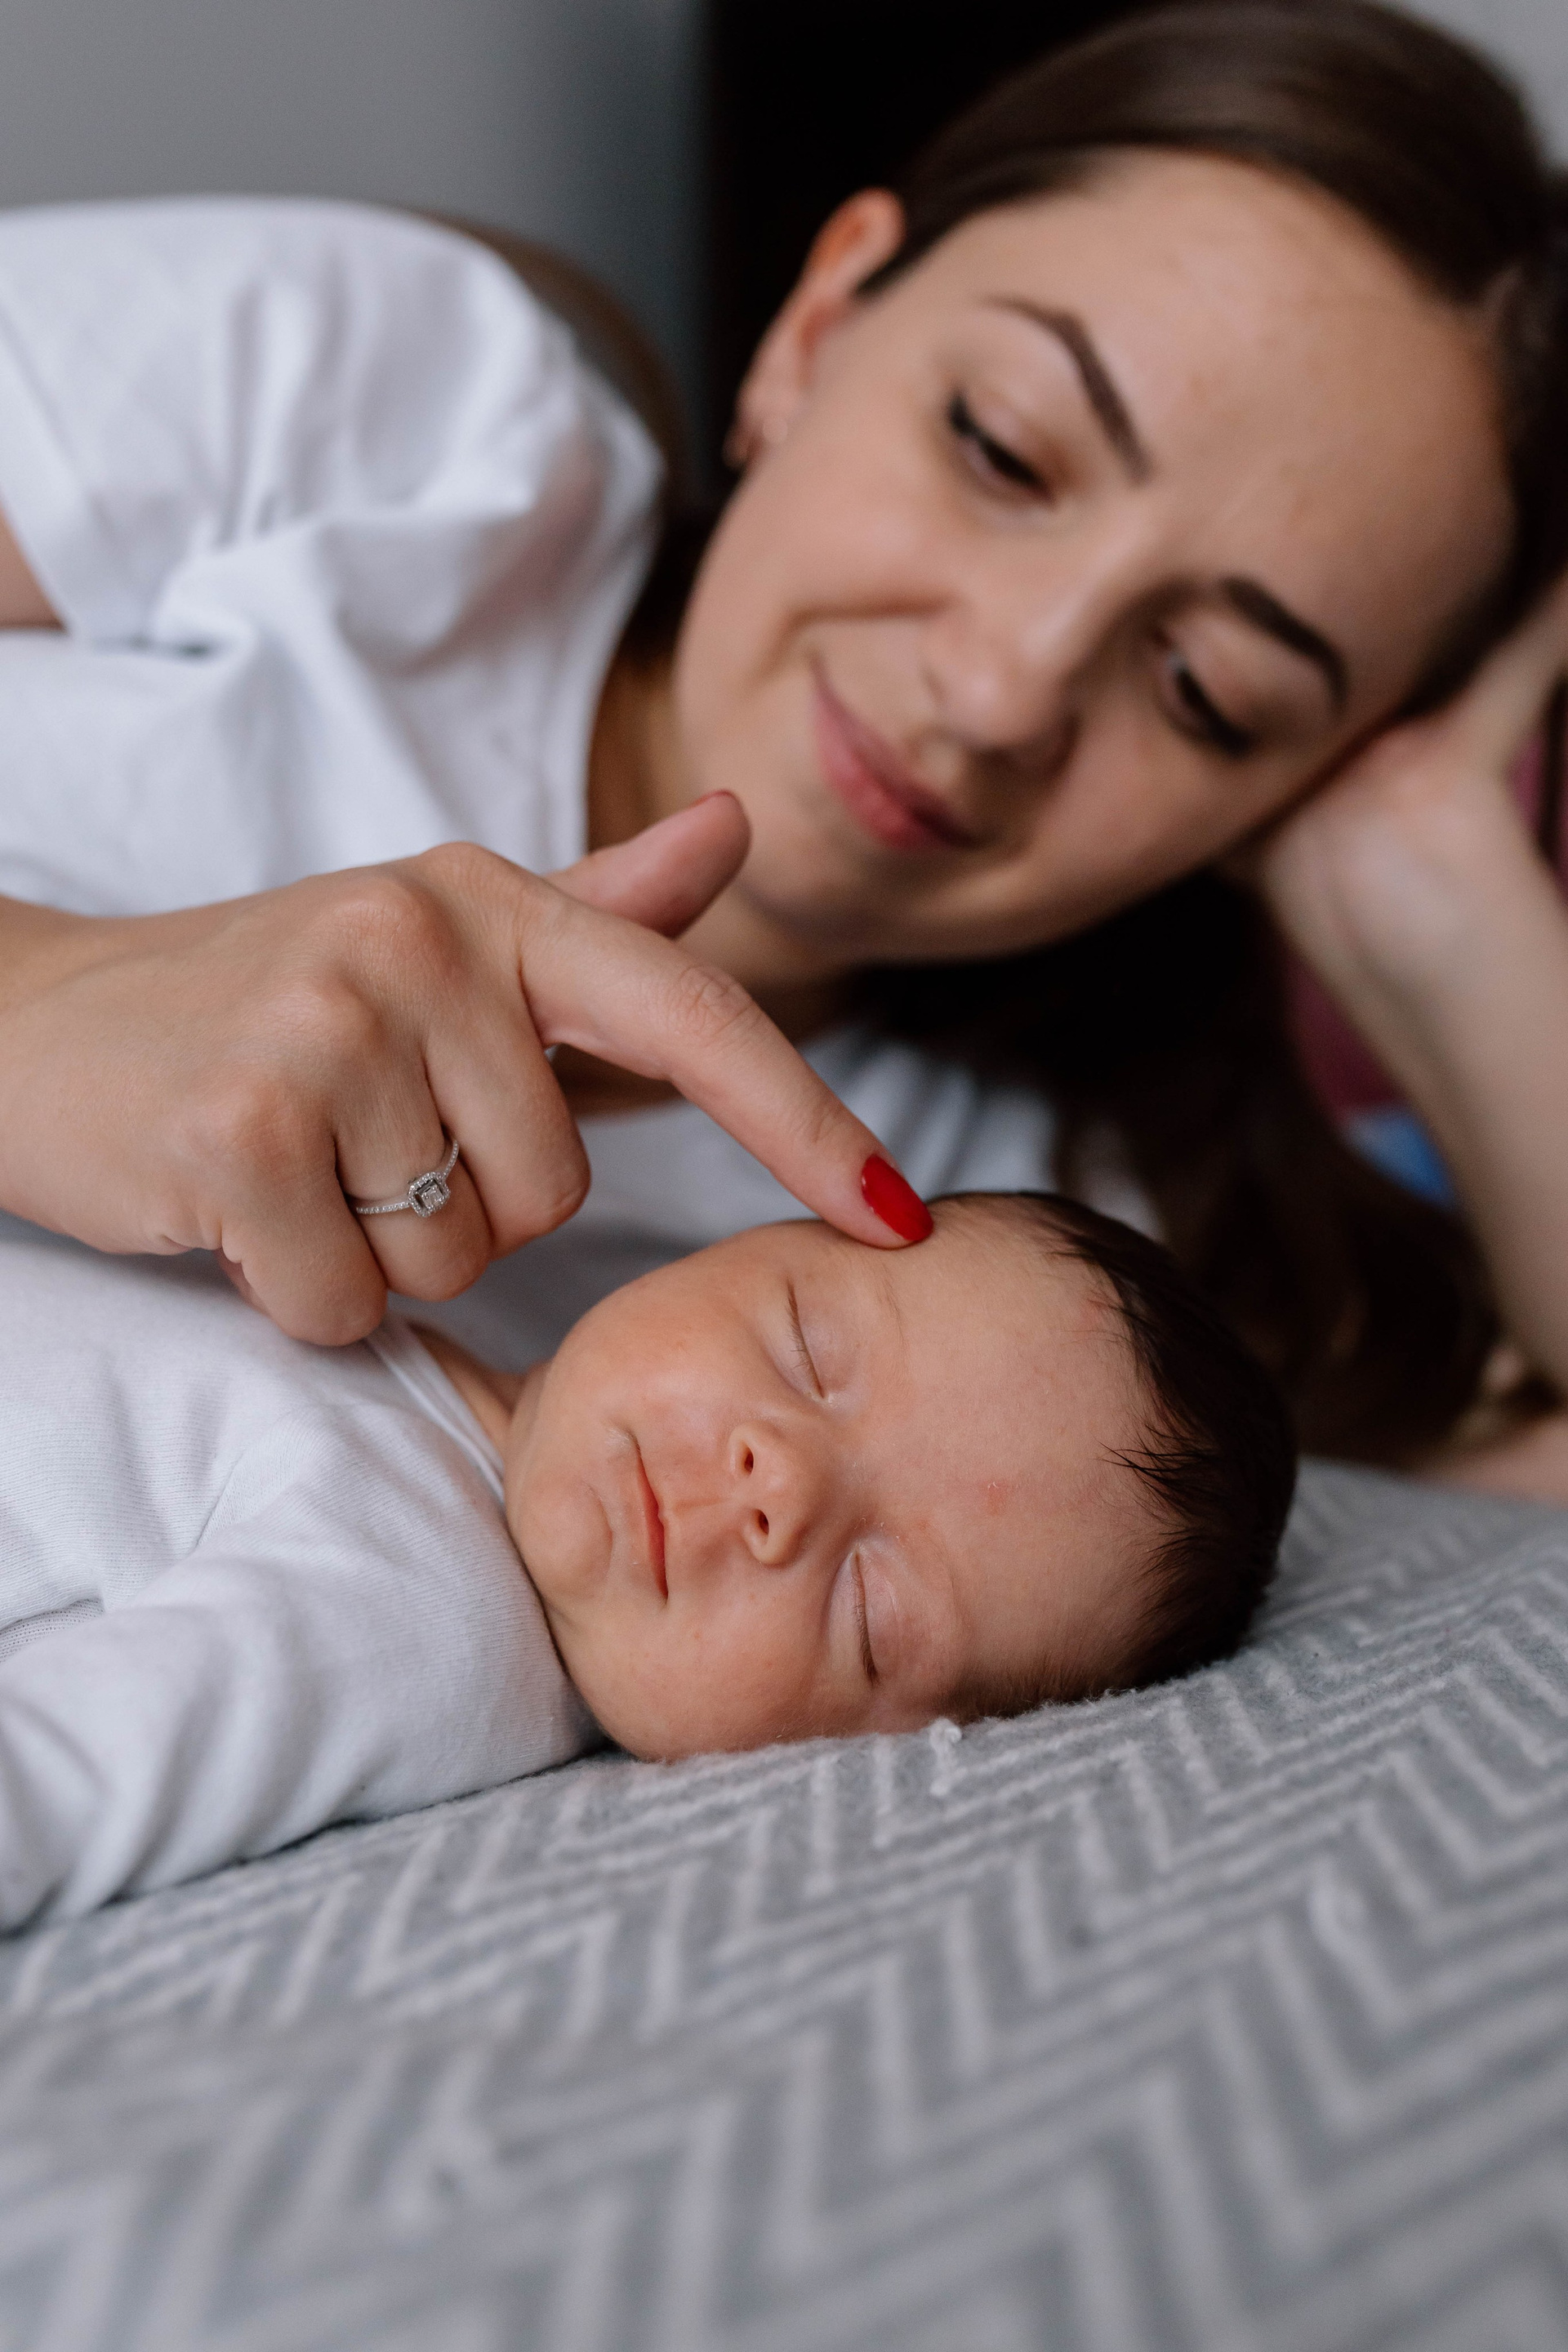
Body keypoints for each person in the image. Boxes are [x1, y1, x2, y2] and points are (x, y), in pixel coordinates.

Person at [0, 0, 1566, 1487]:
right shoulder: (405, 401)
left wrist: (1431, 877)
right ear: (818, 327)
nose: (1001, 691)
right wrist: (45, 1009)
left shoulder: (1027, 1278)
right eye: (1002, 450)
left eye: (1208, 693)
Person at [0, 1194, 1292, 1927]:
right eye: (806, 1348)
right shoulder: (402, 1336)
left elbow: (61, 1775)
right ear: (734, 1241)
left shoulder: (421, 1613)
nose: (776, 1487)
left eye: (871, 1605)